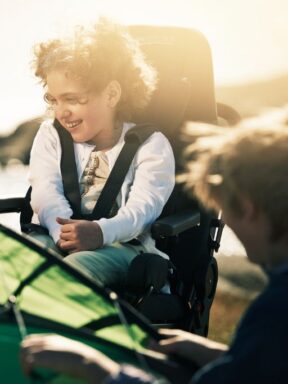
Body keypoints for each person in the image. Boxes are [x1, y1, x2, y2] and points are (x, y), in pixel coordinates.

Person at [21, 121, 288, 383]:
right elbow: (259, 368)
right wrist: (211, 353)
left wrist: (98, 370)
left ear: (247, 208)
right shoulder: (276, 305)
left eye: (227, 212)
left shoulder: (274, 311)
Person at [27, 18, 175, 288]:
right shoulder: (51, 135)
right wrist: (64, 234)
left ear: (111, 94)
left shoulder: (150, 145)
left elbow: (142, 211)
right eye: (54, 100)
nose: (62, 112)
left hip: (124, 248)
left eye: (72, 99)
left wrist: (100, 232)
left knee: (72, 272)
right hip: (55, 235)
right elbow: (45, 192)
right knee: (15, 260)